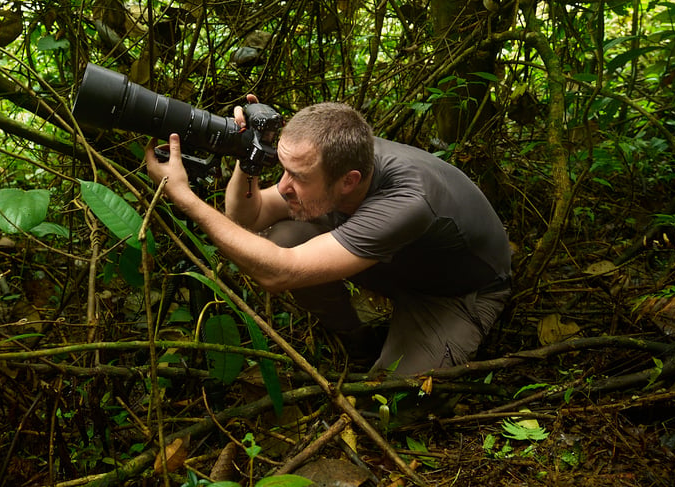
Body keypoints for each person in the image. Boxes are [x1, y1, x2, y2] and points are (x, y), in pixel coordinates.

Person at [144, 100, 512, 376]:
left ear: (348, 180)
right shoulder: (335, 161)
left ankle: (410, 341)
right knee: (284, 235)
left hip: (454, 292)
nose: (284, 186)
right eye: (283, 170)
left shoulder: (407, 200)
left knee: (392, 402)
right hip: (393, 262)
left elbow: (279, 274)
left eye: (298, 177)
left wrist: (186, 199)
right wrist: (247, 158)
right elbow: (249, 216)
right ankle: (358, 340)